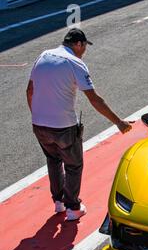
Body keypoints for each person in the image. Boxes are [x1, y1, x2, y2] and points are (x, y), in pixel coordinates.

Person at [26, 28, 134, 221]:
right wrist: (118, 122)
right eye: (84, 46)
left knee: (53, 160)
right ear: (78, 44)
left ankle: (58, 202)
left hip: (39, 125)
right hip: (64, 126)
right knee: (73, 165)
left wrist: (37, 116)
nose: (84, 50)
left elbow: (30, 90)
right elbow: (95, 100)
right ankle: (73, 207)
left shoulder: (43, 56)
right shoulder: (75, 63)